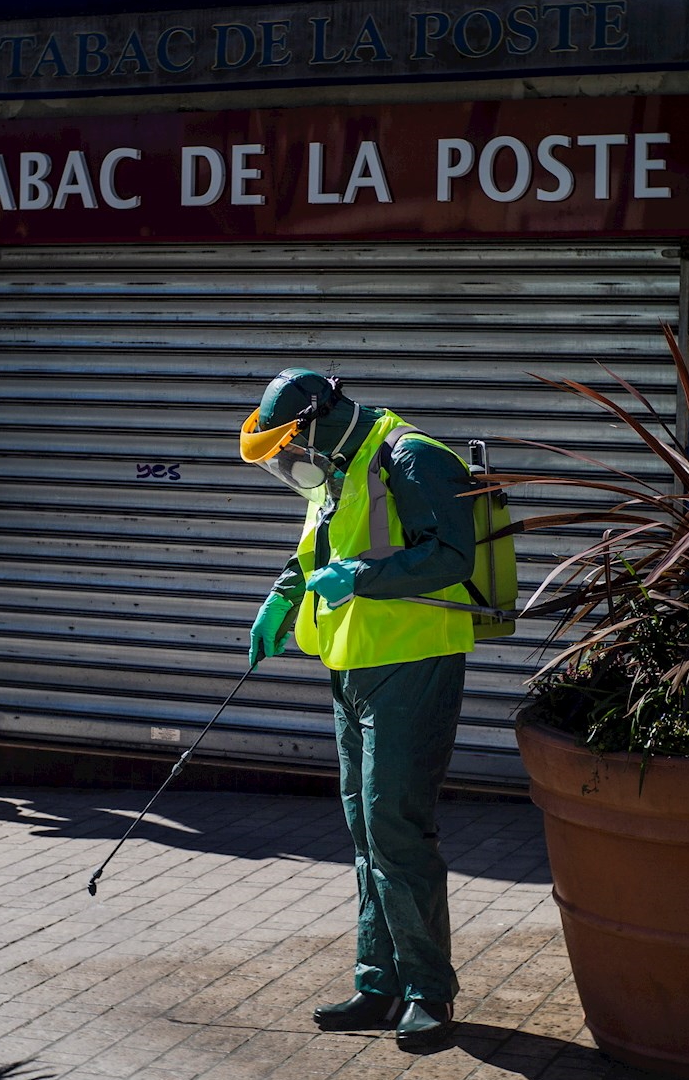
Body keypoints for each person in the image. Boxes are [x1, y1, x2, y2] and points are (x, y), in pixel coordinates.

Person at [237, 369, 476, 1053]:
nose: (289, 461)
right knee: (365, 831)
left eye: (290, 446)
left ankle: (429, 992)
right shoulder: (339, 468)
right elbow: (316, 549)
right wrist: (282, 597)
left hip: (412, 663)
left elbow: (452, 555)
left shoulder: (411, 456)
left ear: (318, 421)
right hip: (351, 665)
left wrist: (362, 578)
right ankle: (379, 984)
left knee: (395, 828)